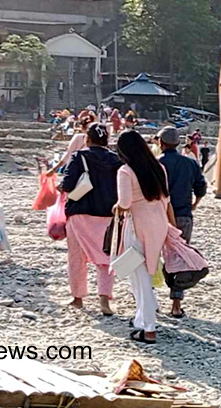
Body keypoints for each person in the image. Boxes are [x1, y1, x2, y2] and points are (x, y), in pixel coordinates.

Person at [115, 131, 172, 343]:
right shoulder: (159, 168)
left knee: (140, 277)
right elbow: (166, 198)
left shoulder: (125, 171)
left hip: (136, 225)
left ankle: (149, 328)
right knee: (146, 272)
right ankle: (142, 319)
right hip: (158, 224)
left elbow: (125, 202)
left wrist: (117, 206)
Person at [61, 123, 121, 315]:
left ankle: (78, 298)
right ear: (107, 140)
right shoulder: (117, 160)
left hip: (80, 213)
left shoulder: (80, 157)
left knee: (77, 257)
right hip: (108, 215)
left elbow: (68, 184)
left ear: (87, 139)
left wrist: (59, 187)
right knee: (105, 258)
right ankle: (104, 299)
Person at [156, 127, 207, 318]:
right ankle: (176, 305)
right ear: (178, 143)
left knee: (151, 257)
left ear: (160, 143)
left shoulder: (156, 164)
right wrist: (194, 204)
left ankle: (150, 300)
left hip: (157, 217)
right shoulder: (190, 163)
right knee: (179, 258)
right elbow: (201, 188)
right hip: (183, 216)